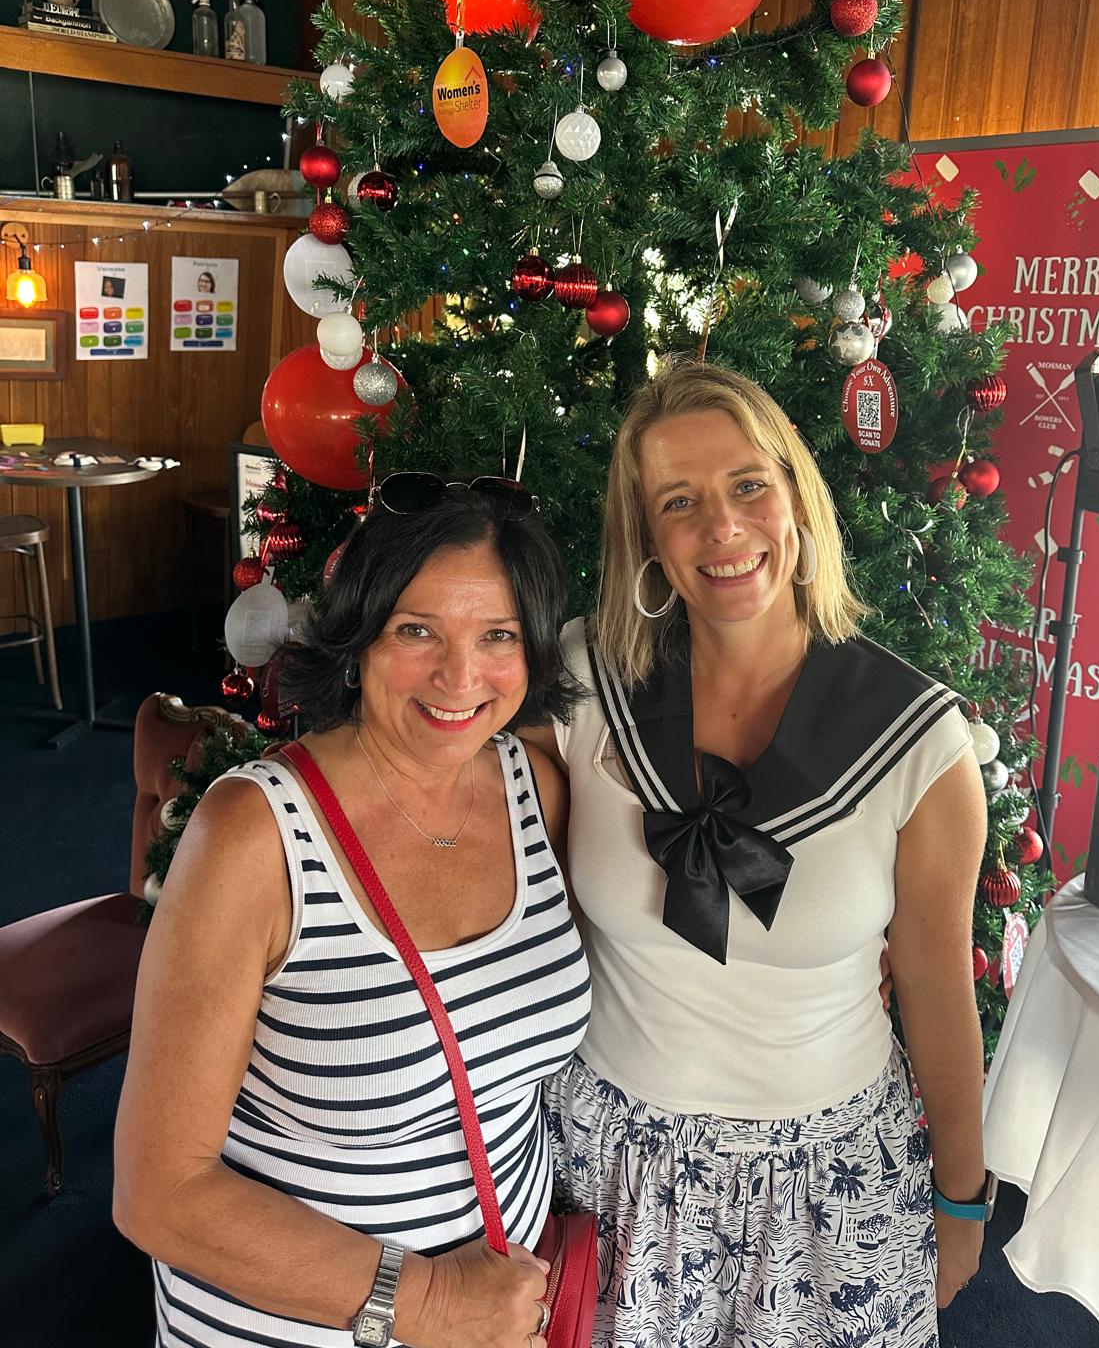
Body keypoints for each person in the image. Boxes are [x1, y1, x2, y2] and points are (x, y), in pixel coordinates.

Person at [524, 359, 989, 1348]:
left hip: (833, 1176)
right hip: (609, 1165)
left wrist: (962, 1198)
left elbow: (938, 989)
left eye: (747, 486)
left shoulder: (921, 744)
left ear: (796, 498)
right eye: (679, 501)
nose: (723, 528)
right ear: (647, 538)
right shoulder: (580, 685)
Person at [114, 477, 591, 1348]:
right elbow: (158, 1192)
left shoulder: (535, 788)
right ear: (360, 636)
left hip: (503, 1314)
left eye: (498, 635)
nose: (460, 676)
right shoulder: (251, 834)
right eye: (417, 630)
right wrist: (431, 1304)